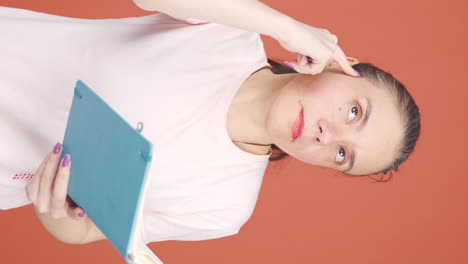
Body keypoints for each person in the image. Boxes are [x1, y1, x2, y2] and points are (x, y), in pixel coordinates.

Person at [0, 0, 420, 249]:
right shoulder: (231, 32)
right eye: (354, 112)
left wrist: (58, 212)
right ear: (341, 67)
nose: (327, 136)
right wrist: (286, 27)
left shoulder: (224, 208)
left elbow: (85, 230)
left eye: (342, 156)